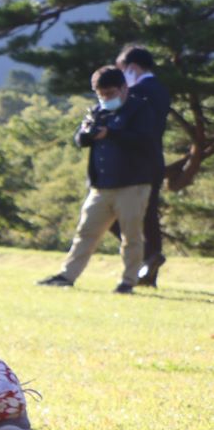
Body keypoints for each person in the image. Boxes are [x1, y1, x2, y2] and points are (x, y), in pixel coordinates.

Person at [36, 66, 155, 293]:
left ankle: (128, 281)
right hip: (101, 186)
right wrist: (88, 132)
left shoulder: (140, 109)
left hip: (132, 184)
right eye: (101, 94)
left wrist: (111, 134)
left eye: (109, 94)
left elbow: (145, 141)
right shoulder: (98, 111)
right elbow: (80, 140)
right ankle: (67, 275)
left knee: (131, 236)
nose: (105, 99)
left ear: (123, 88)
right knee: (85, 233)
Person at [116, 45, 170, 286]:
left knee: (111, 213)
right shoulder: (161, 90)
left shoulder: (136, 91)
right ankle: (150, 270)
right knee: (150, 216)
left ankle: (147, 259)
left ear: (132, 67)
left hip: (133, 162)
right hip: (156, 159)